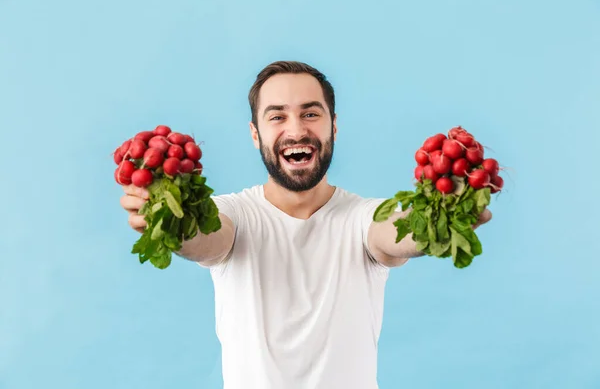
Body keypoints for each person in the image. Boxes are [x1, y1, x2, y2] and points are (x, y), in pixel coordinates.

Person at [119, 61, 492, 389]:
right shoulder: (233, 214)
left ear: (334, 126)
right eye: (277, 116)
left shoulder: (365, 217)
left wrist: (443, 213)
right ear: (255, 134)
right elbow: (206, 237)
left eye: (311, 114)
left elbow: (397, 231)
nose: (296, 130)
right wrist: (168, 218)